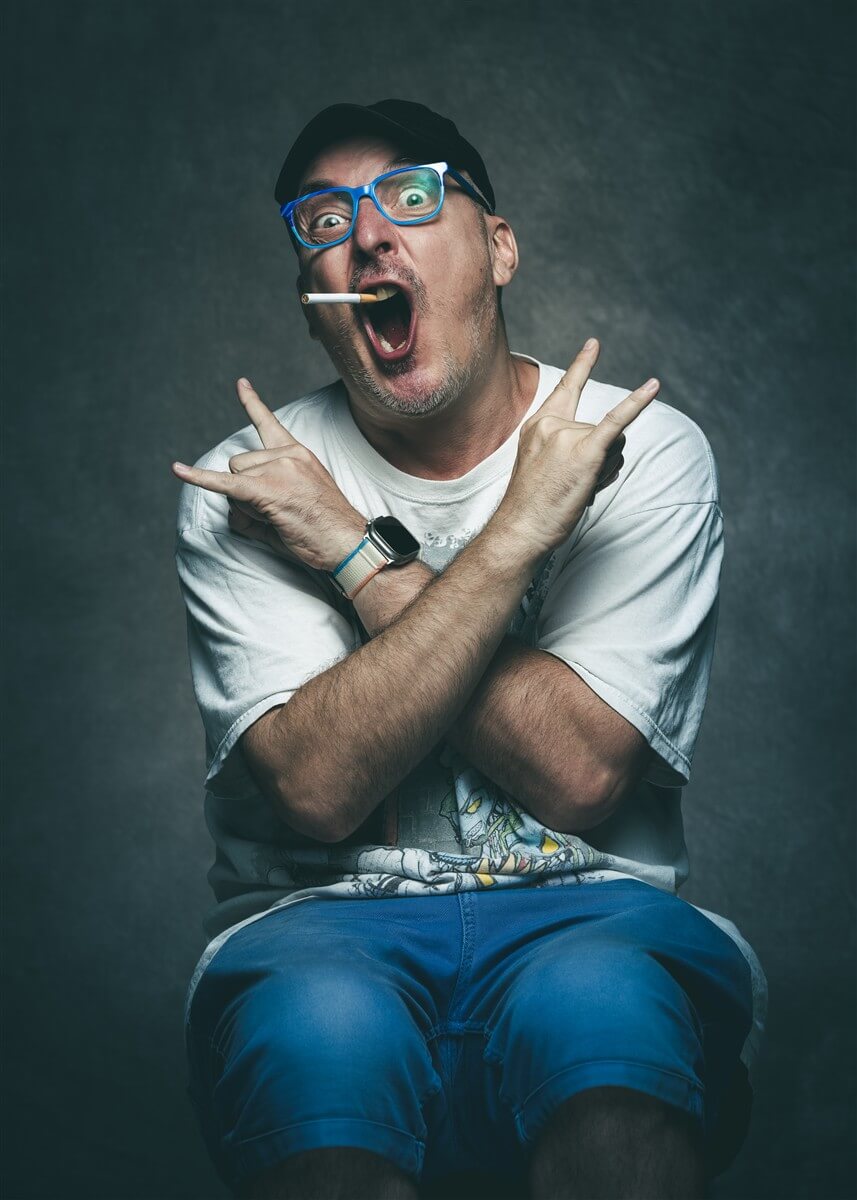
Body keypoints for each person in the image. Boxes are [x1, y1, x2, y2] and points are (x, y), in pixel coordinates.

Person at [172, 99, 767, 1200]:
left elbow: (579, 773)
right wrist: (507, 541)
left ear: (498, 248)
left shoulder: (638, 448)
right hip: (320, 926)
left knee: (607, 1038)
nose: (367, 235)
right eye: (323, 221)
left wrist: (351, 552)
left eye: (411, 196)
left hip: (588, 907)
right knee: (316, 1049)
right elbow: (317, 789)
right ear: (313, 299)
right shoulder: (249, 482)